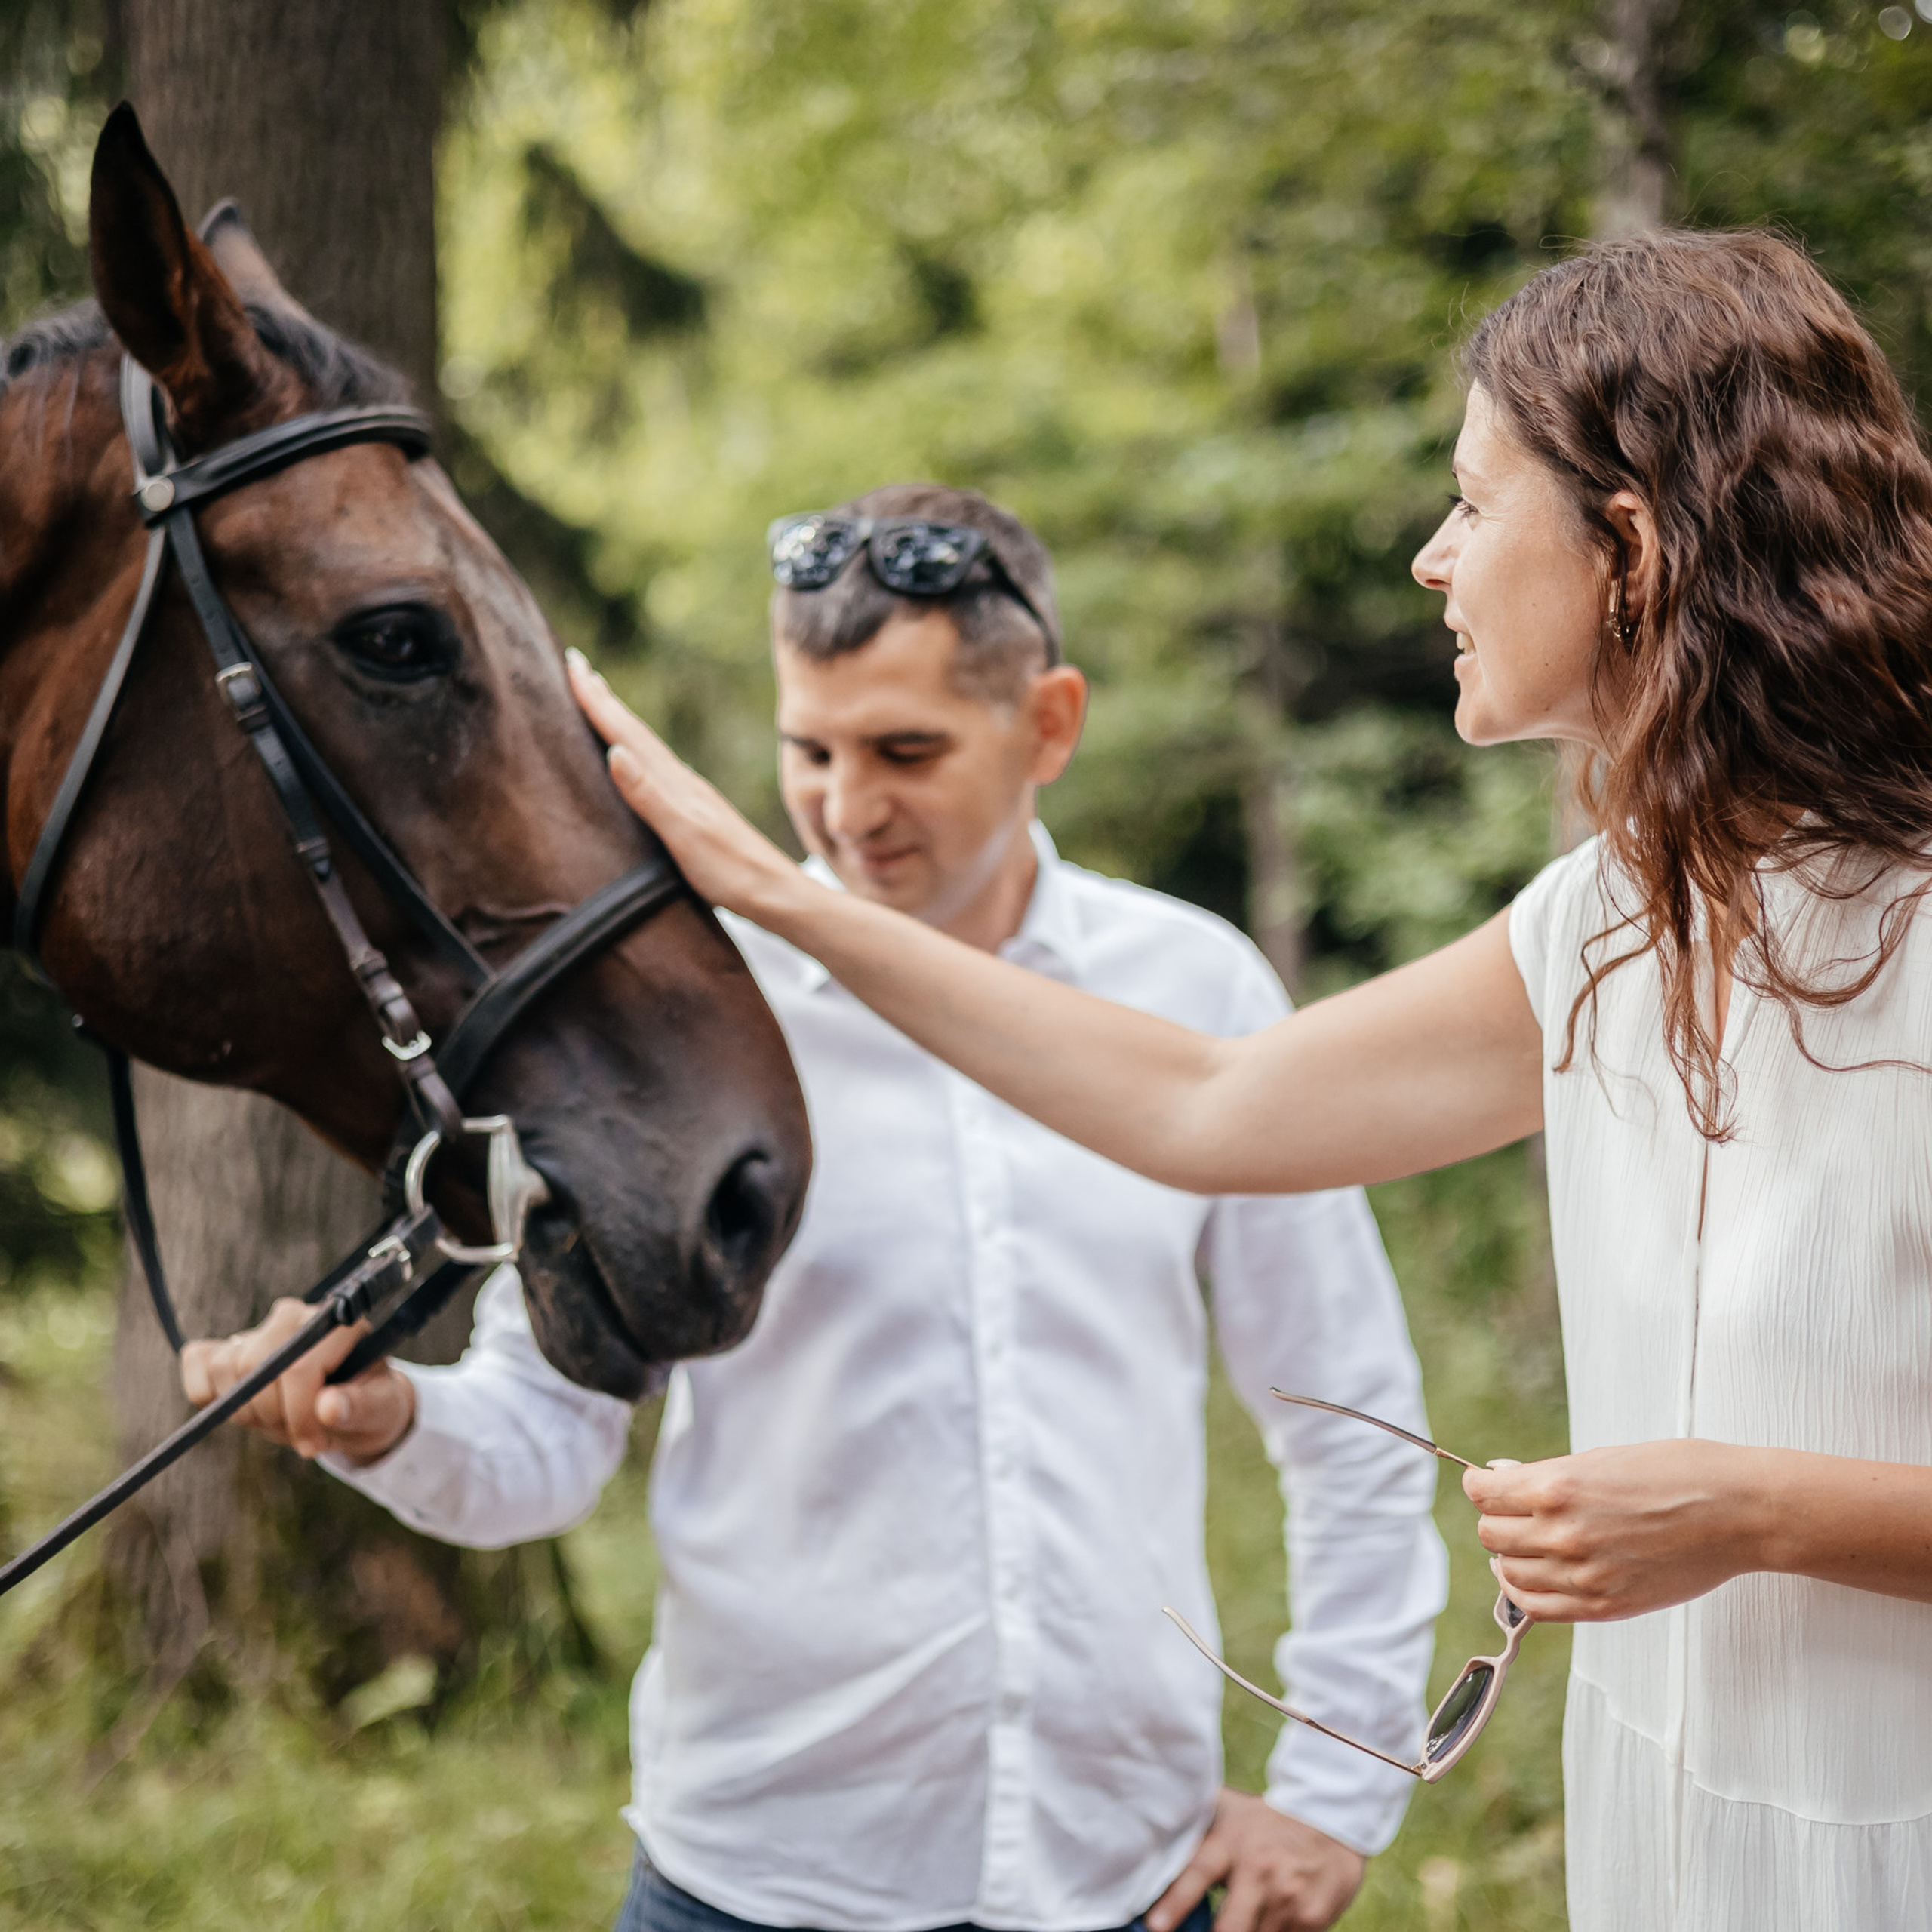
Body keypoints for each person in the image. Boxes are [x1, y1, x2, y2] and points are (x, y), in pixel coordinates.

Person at [570, 236, 1932, 1932]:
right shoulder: (1594, 929)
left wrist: (1751, 1505)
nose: (1432, 561)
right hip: (1675, 1836)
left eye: (1470, 503)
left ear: (1631, 551)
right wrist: (773, 898)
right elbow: (1207, 1102)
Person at [184, 484, 1447, 1932]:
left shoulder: (1198, 991)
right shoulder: (670, 1027)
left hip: (1125, 1881)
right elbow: (546, 1440)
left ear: (1048, 725)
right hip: (755, 1882)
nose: (849, 809)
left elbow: (1349, 1422)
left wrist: (1336, 1787)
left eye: (906, 750)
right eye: (812, 750)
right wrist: (389, 1424)